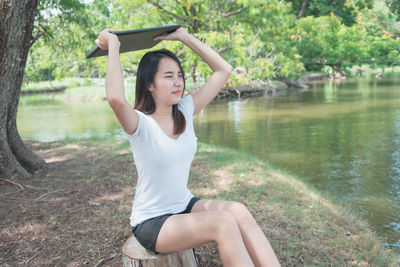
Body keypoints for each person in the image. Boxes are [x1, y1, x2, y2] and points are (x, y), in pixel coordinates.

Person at [95, 26, 281, 267]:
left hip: (184, 205)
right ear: (149, 84)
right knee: (223, 223)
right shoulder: (140, 123)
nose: (178, 82)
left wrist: (184, 37)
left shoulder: (184, 110)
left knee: (239, 211)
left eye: (180, 75)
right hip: (153, 222)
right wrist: (114, 45)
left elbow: (223, 70)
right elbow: (115, 98)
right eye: (168, 76)